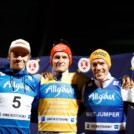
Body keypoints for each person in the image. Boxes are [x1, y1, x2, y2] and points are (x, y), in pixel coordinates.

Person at [31, 39, 134, 134]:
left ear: (69, 60)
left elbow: (105, 82)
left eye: (64, 57)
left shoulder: (80, 80)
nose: (61, 60)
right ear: (51, 60)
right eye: (57, 57)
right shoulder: (41, 79)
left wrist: (124, 79)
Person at [81, 48, 134, 134]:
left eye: (102, 63)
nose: (98, 68)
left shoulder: (123, 85)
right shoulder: (85, 87)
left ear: (108, 65)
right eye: (94, 64)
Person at [0, 39, 39, 134]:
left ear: (29, 58)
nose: (19, 58)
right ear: (9, 56)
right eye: (16, 54)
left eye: (23, 55)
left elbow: (36, 111)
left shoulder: (34, 82)